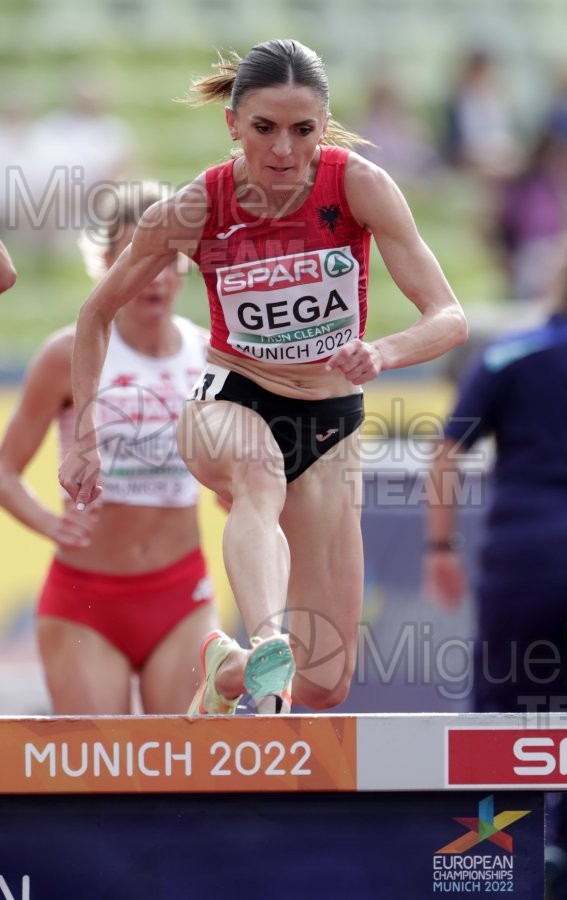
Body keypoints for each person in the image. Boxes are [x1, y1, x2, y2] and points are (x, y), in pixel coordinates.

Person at [59, 39, 467, 717]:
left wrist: (385, 352)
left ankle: (233, 668)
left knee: (327, 681)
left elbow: (447, 315)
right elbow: (96, 310)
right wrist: (85, 438)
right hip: (232, 398)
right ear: (232, 126)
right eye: (264, 129)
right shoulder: (199, 206)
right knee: (258, 472)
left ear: (323, 127)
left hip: (330, 424)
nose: (283, 149)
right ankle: (267, 646)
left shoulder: (357, 185)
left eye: (302, 131)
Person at [0, 182, 220, 714]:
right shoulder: (66, 353)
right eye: (132, 257)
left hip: (182, 594)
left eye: (166, 259)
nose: (153, 276)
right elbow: (6, 470)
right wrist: (49, 524)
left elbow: (241, 463)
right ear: (105, 262)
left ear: (186, 264)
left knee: (185, 774)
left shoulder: (209, 353)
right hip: (86, 602)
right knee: (103, 776)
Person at [423, 251, 567, 897]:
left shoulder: (509, 357)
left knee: (500, 711)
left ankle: (488, 864)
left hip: (524, 557)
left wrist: (439, 547)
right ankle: (558, 847)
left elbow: (446, 452)